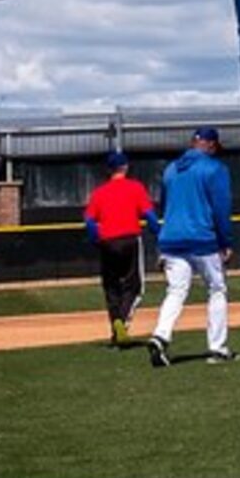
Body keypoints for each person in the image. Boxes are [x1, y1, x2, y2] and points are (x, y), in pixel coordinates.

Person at [147, 126, 238, 369]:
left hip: (171, 240)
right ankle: (218, 348)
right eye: (215, 147)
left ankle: (160, 336)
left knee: (176, 291)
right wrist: (225, 241)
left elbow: (165, 208)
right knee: (217, 289)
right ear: (209, 144)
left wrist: (161, 244)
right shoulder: (215, 168)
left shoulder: (170, 169)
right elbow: (221, 208)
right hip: (203, 239)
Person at [81, 149, 156, 348]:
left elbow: (89, 221)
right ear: (126, 167)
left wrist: (95, 239)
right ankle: (122, 321)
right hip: (130, 239)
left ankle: (115, 327)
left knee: (111, 286)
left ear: (108, 169)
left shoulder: (99, 192)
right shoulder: (135, 187)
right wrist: (157, 232)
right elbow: (149, 215)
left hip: (108, 242)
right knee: (134, 286)